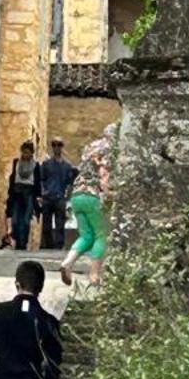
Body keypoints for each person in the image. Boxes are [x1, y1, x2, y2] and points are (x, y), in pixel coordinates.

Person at [61, 123, 116, 288]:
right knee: (102, 235)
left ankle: (67, 263)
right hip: (93, 196)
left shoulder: (90, 147)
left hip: (77, 195)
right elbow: (104, 174)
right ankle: (94, 274)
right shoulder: (109, 150)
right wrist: (108, 195)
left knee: (86, 236)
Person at [39, 137, 77, 251]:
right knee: (47, 225)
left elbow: (70, 183)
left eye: (59, 145)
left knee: (60, 224)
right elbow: (41, 179)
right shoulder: (46, 164)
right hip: (48, 197)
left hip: (60, 197)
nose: (56, 147)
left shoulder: (67, 166)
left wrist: (68, 197)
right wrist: (42, 193)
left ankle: (58, 246)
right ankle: (49, 246)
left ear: (62, 146)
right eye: (54, 144)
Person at [3, 141, 43, 251]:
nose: (26, 155)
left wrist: (38, 198)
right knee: (15, 220)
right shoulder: (16, 163)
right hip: (17, 193)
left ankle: (23, 243)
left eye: (28, 152)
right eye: (24, 152)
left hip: (29, 194)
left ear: (32, 153)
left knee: (26, 221)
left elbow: (37, 182)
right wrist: (10, 194)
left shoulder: (35, 165)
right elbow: (13, 178)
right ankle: (17, 238)